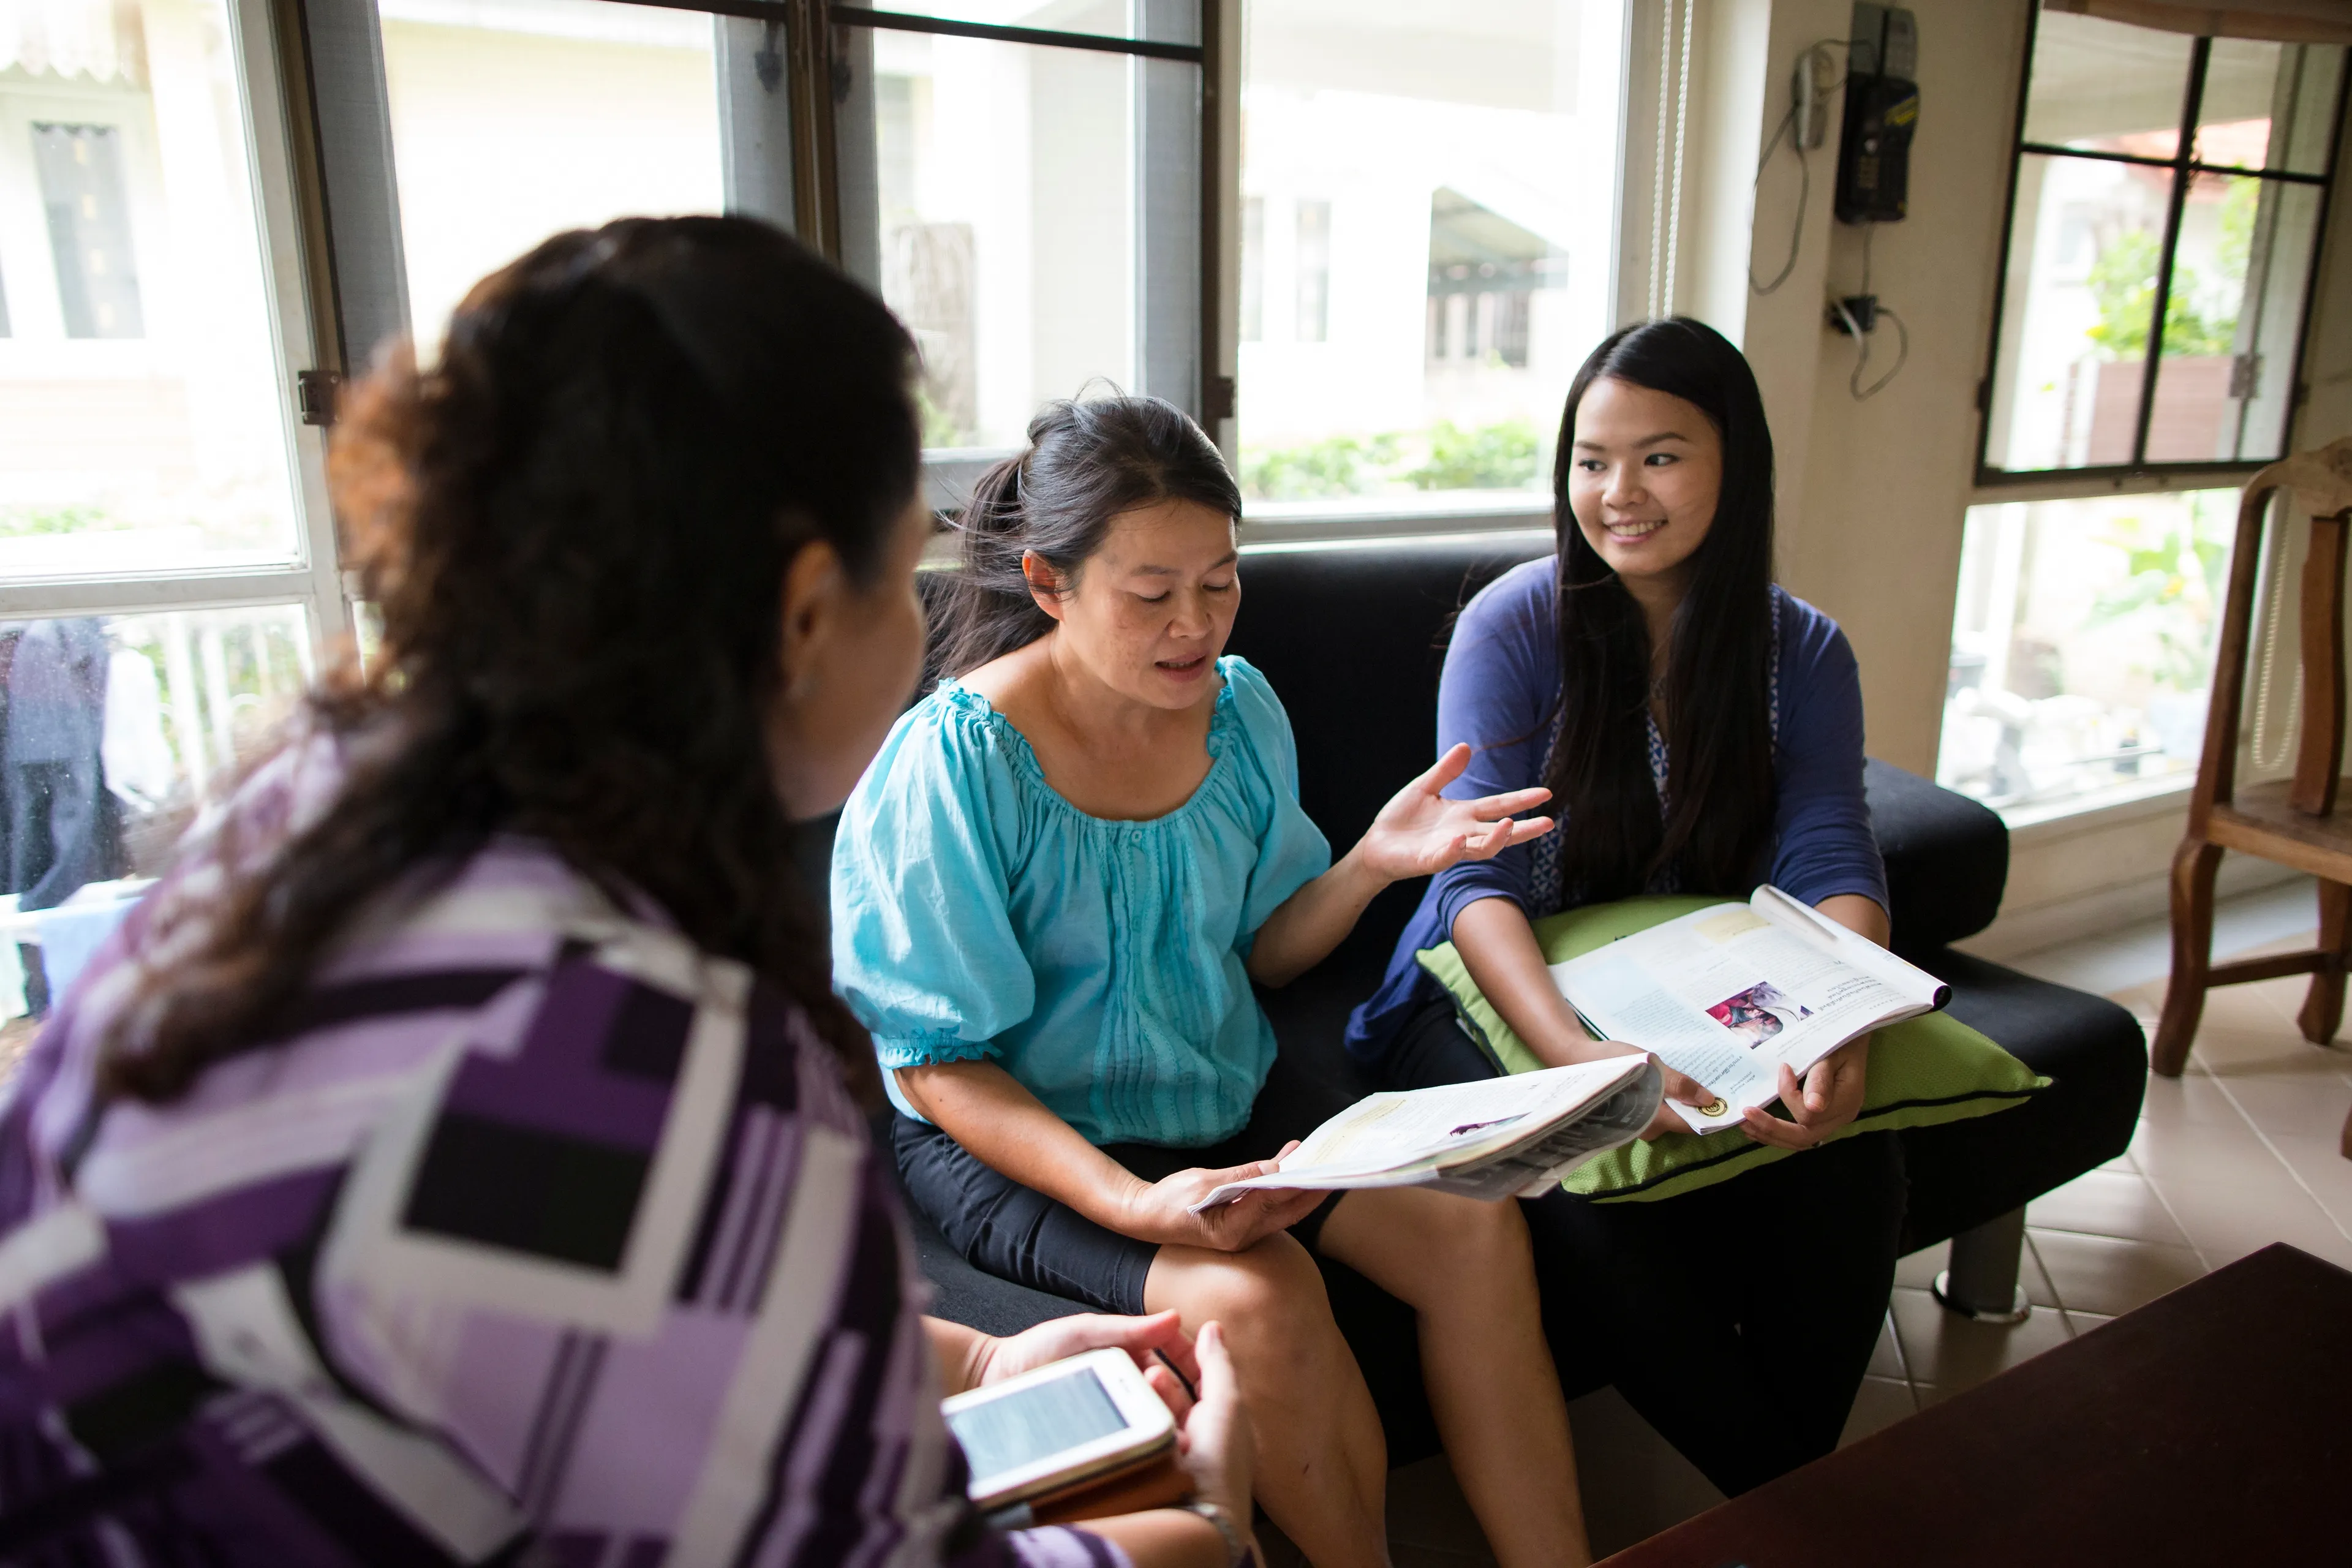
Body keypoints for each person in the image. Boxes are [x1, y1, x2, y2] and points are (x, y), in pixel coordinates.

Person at [0, 217, 1256, 1568]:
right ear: (801, 608)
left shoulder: (318, 813)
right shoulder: (638, 1037)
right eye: (903, 571)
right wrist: (1212, 1522)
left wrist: (985, 1360)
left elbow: (571, 1295)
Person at [832, 396, 1595, 1568]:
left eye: (1221, 582)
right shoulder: (956, 761)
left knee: (1470, 1231)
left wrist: (1372, 866)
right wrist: (1137, 1205)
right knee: (1263, 1303)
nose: (1196, 625)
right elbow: (937, 1064)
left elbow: (1266, 950)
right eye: (1152, 595)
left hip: (1209, 1090)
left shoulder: (1239, 714)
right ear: (1050, 583)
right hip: (1010, 1137)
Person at [1344, 317, 1906, 1496]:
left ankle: (1791, 1495)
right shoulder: (1515, 624)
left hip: (1684, 994)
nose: (1619, 493)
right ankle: (1807, 1509)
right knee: (1590, 1204)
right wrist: (1579, 1057)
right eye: (1592, 460)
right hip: (1483, 995)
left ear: (1734, 462)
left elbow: (1831, 850)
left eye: (1661, 455)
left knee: (1856, 1163)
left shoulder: (1801, 652)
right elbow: (1469, 873)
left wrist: (1840, 1025)